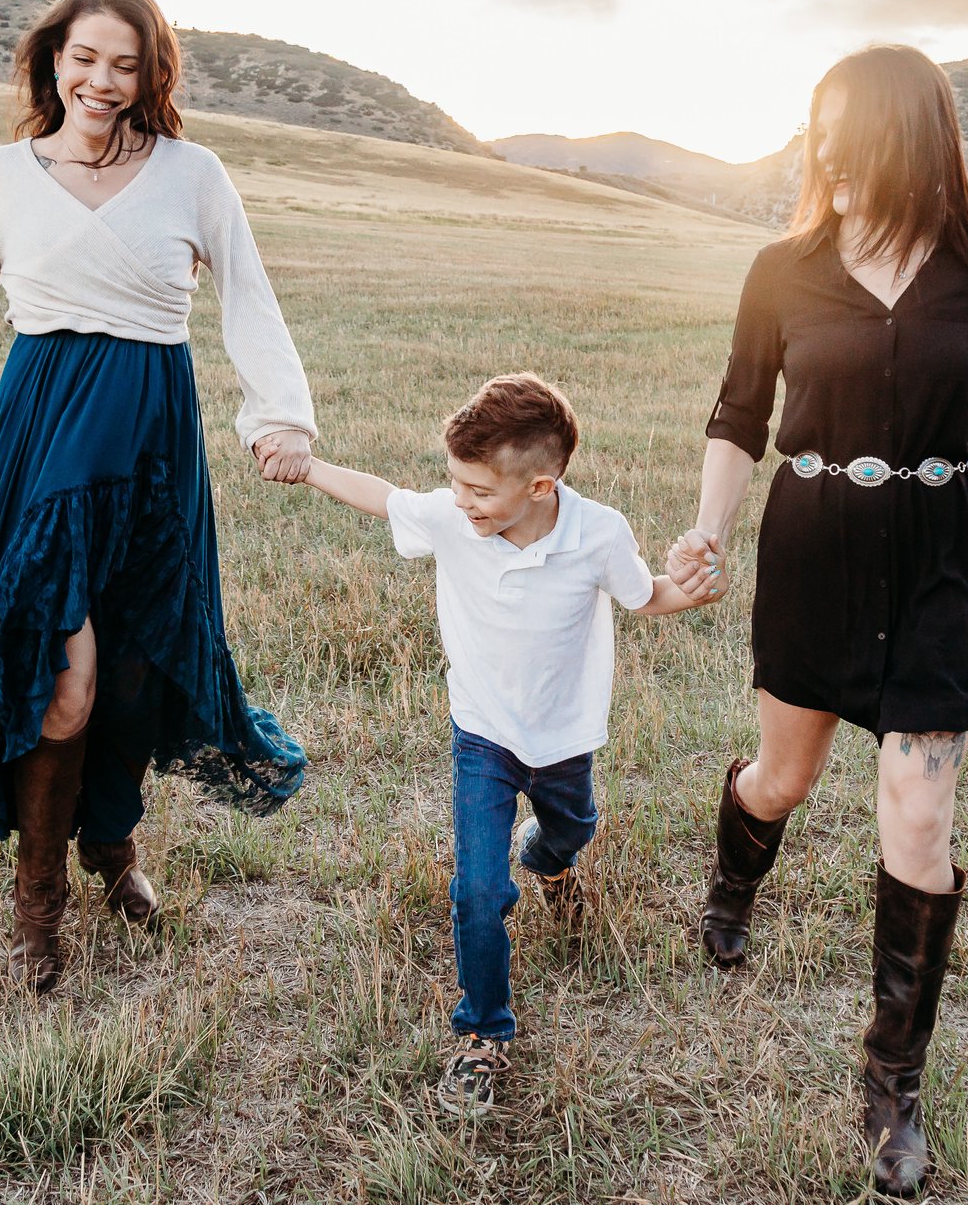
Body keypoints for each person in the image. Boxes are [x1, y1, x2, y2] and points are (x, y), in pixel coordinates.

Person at [0, 0, 313, 991]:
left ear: (153, 72)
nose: (102, 81)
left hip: (155, 429)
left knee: (136, 665)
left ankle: (112, 843)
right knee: (59, 678)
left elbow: (250, 298)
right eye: (84, 57)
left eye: (126, 63)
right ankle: (39, 896)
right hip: (46, 428)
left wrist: (278, 415)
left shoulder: (192, 172)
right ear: (51, 58)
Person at [665, 45, 968, 1197]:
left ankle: (894, 1080)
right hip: (813, 551)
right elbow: (738, 415)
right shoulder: (782, 267)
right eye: (814, 130)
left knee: (919, 809)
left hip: (936, 569)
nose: (823, 151)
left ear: (907, 137)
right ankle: (732, 883)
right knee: (780, 781)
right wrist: (709, 531)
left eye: (844, 132)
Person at [294, 373, 715, 1116]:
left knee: (572, 828)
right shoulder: (456, 519)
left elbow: (644, 594)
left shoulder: (599, 532)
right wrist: (306, 464)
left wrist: (693, 588)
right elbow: (384, 495)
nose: (462, 500)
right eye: (456, 482)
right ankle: (483, 1031)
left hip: (564, 739)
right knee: (479, 891)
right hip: (482, 735)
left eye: (479, 490)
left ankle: (550, 859)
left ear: (542, 485)